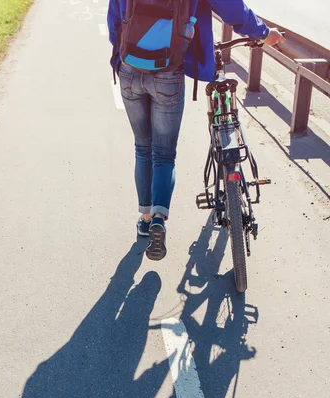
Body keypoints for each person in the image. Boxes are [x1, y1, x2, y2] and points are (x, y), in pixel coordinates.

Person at [107, 0, 285, 260]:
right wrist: (264, 33)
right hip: (168, 71)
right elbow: (233, 10)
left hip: (129, 68)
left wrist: (125, 54)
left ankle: (144, 219)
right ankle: (159, 218)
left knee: (142, 148)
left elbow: (114, 20)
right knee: (164, 154)